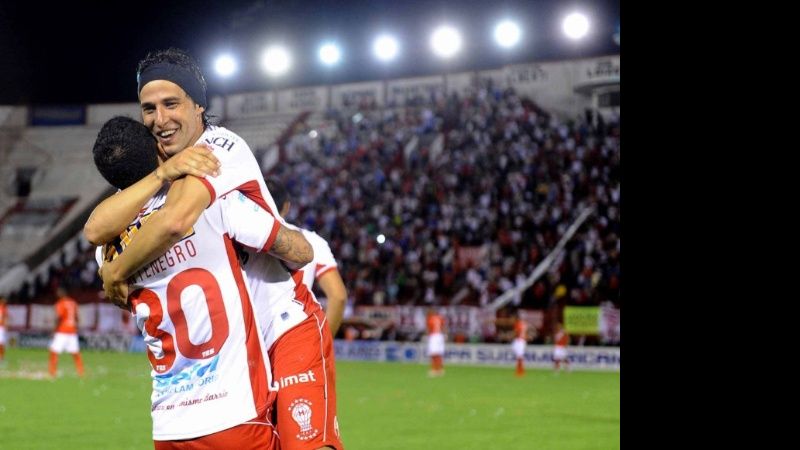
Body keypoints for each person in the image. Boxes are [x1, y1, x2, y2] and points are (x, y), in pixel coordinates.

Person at [89, 48, 343, 450]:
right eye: (149, 108)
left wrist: (115, 270)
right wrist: (159, 175)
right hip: (235, 358)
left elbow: (174, 220)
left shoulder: (220, 146)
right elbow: (94, 228)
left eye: (171, 103)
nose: (160, 119)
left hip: (281, 325)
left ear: (199, 104)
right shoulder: (157, 177)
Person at [266, 178, 347, 336]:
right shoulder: (313, 241)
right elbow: (338, 296)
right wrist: (323, 341)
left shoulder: (236, 236)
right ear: (287, 206)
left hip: (246, 336)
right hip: (293, 333)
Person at [48, 287, 84, 378]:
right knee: (75, 352)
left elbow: (59, 317)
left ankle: (52, 372)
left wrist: (54, 329)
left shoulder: (60, 303)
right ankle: (81, 371)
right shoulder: (73, 302)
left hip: (62, 331)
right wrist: (76, 327)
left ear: (61, 294)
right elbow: (77, 317)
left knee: (54, 351)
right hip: (72, 330)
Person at [426, 308, 446, 377]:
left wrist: (427, 336)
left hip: (434, 336)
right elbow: (444, 327)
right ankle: (440, 370)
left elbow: (428, 329)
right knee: (439, 354)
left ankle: (434, 370)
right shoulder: (440, 318)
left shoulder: (429, 318)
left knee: (434, 354)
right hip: (440, 336)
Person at [512, 312, 528, 377]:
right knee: (519, 356)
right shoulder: (523, 323)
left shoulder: (517, 323)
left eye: (513, 318)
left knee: (519, 357)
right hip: (522, 340)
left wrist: (511, 336)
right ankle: (520, 371)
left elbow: (517, 333)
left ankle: (520, 372)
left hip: (519, 341)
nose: (512, 319)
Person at [0, 296, 8, 363]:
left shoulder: (4, 308)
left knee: (2, 343)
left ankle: (2, 357)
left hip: (1, 327)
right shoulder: (2, 308)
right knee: (1, 343)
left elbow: (5, 318)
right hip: (1, 327)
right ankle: (1, 358)